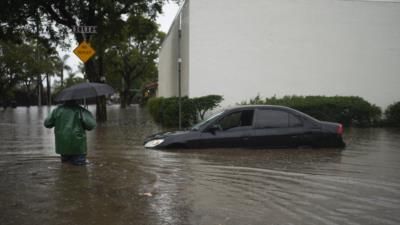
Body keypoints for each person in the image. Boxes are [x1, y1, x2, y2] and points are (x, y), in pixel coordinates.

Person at [44, 100, 96, 165]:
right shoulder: (81, 110)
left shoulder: (57, 110)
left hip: (63, 146)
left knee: (65, 167)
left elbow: (47, 124)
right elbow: (91, 125)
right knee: (80, 170)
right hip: (78, 146)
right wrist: (87, 114)